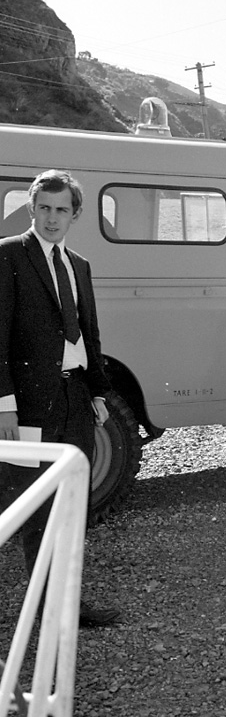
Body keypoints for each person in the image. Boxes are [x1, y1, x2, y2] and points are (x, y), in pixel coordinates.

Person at [0, 169, 120, 626]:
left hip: (74, 397)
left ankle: (65, 607)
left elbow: (89, 336)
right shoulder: (9, 256)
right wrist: (4, 405)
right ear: (32, 209)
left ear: (75, 214)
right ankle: (45, 611)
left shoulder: (79, 265)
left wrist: (98, 392)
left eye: (61, 210)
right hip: (27, 405)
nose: (52, 219)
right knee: (32, 507)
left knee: (72, 502)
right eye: (44, 209)